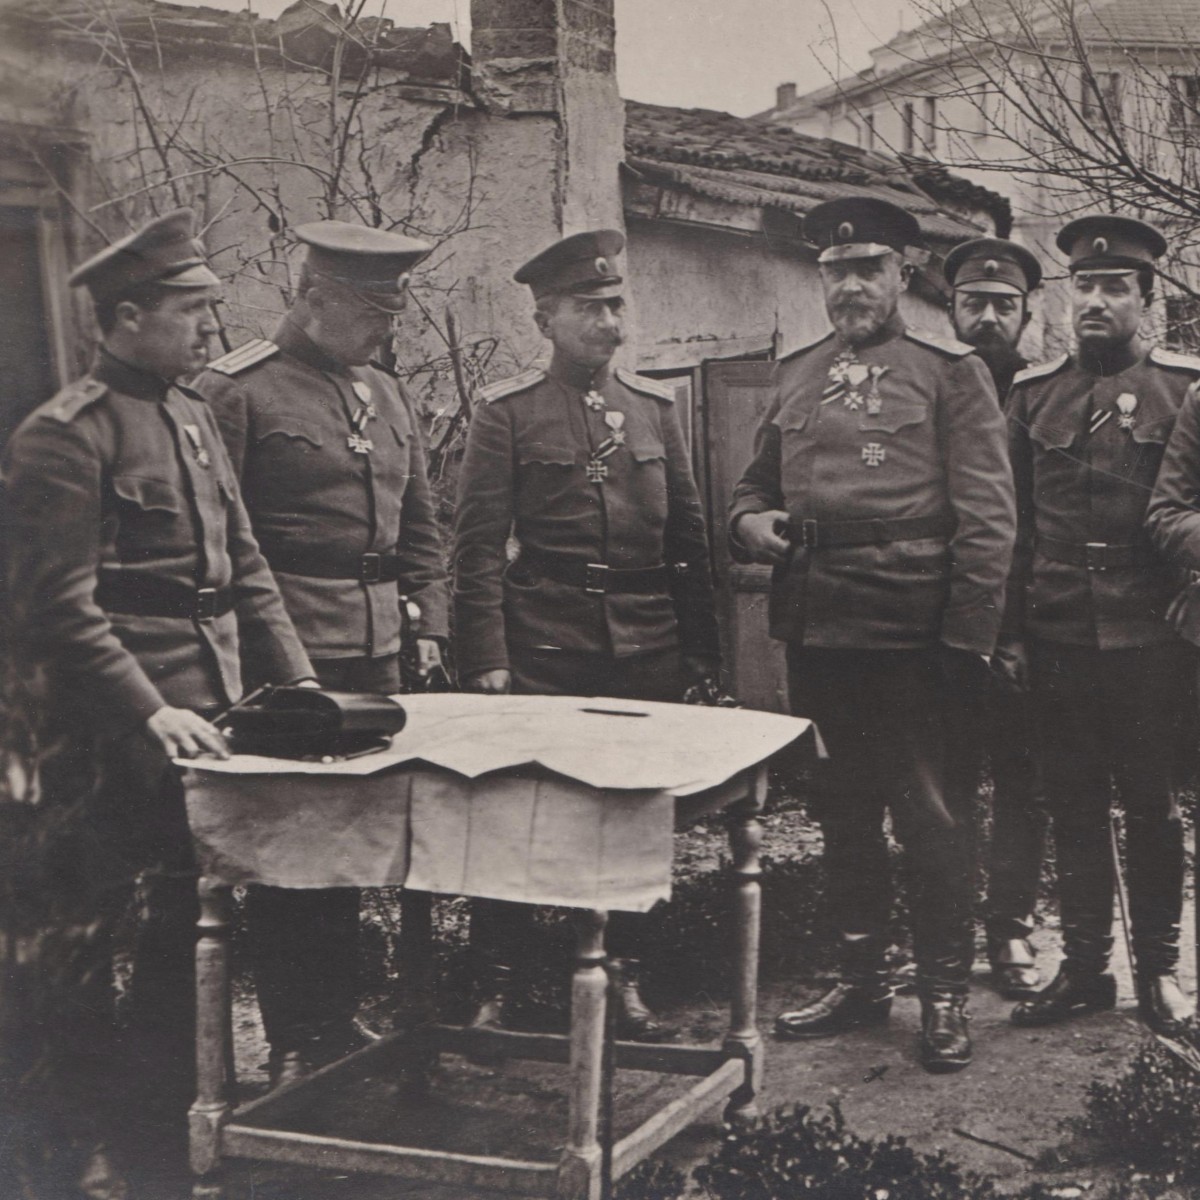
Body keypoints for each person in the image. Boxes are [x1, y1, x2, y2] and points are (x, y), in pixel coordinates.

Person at [1, 209, 315, 1190]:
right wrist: (150, 710)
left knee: (190, 938)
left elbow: (246, 564)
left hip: (205, 717)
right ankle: (78, 1153)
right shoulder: (65, 436)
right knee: (99, 954)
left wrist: (299, 680)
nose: (206, 334)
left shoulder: (191, 415)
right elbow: (60, 608)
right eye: (189, 313)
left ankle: (163, 1137)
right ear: (127, 317)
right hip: (115, 738)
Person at [730, 197, 1016, 1073]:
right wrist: (752, 526)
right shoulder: (798, 371)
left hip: (917, 637)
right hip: (821, 628)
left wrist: (966, 641)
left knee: (930, 817)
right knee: (842, 810)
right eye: (836, 271)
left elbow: (990, 519)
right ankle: (861, 978)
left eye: (868, 269)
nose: (851, 285)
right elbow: (749, 488)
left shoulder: (948, 371)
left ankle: (940, 994)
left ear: (901, 276)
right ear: (821, 278)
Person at [195, 221, 450, 1086]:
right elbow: (220, 544)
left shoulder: (383, 392)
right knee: (289, 851)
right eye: (373, 314)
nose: (388, 331)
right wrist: (265, 656)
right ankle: (297, 1036)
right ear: (313, 297)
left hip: (377, 650)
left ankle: (333, 1019)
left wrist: (432, 622)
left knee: (352, 847)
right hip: (288, 653)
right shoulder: (237, 390)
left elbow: (421, 523)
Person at [452, 228, 721, 1040]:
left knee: (631, 817)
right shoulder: (507, 414)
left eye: (615, 304)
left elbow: (689, 543)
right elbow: (475, 547)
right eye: (587, 307)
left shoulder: (654, 410)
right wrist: (487, 658)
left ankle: (619, 980)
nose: (608, 322)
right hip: (545, 647)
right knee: (516, 815)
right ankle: (499, 983)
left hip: (645, 648)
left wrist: (703, 657)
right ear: (544, 320)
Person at [1003, 215, 1197, 1036]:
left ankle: (1159, 972)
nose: (1096, 300)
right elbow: (1007, 524)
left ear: (1146, 301)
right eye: (1084, 285)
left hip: (1150, 638)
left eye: (1115, 287)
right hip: (1056, 633)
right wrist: (1008, 630)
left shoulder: (1183, 391)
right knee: (1071, 804)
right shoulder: (1031, 395)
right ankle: (1085, 969)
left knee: (1151, 808)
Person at [943, 237, 1048, 998]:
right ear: (951, 309)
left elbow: (1036, 525)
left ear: (1026, 314)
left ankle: (1009, 928)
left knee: (1022, 780)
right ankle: (941, 934)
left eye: (1002, 306)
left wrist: (1011, 631)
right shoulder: (929, 384)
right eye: (973, 303)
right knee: (940, 784)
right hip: (938, 628)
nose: (986, 318)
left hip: (1022, 630)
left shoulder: (1041, 397)